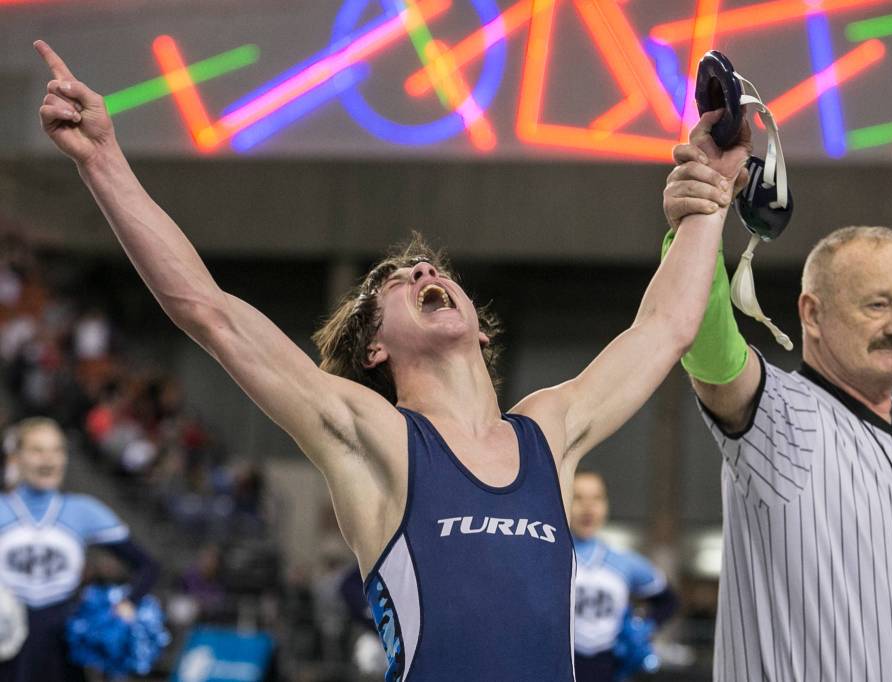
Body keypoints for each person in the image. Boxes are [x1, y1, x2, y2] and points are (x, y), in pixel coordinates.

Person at [31, 40, 745, 680]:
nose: (421, 276)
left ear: (481, 330)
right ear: (375, 347)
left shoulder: (548, 430)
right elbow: (208, 311)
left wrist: (709, 201)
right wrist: (102, 160)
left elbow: (664, 329)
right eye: (395, 283)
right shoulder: (366, 432)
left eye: (432, 272)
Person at [661, 136, 892, 680]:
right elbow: (710, 350)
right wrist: (701, 221)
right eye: (877, 305)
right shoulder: (782, 416)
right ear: (811, 313)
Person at [0, 417, 159, 682]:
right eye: (37, 450)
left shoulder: (84, 510)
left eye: (57, 450)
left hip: (61, 647)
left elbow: (148, 565)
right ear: (16, 458)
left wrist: (128, 602)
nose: (48, 459)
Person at [571, 470, 677, 681]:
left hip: (608, 669)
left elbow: (669, 601)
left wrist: (642, 627)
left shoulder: (625, 562)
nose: (588, 507)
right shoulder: (550, 557)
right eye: (578, 498)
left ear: (606, 505)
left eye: (597, 498)